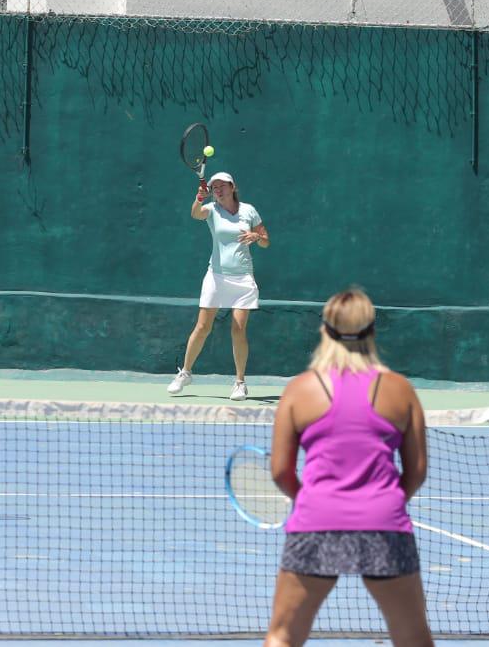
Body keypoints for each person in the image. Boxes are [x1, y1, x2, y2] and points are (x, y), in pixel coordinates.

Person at [264, 289, 432, 647]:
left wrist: (311, 500)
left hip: (316, 522)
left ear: (325, 330)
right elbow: (416, 470)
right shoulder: (401, 390)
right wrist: (382, 502)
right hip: (384, 525)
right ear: (372, 331)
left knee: (282, 638)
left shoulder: (299, 390)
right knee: (414, 640)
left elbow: (280, 470)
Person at [168, 171, 269, 400]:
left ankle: (240, 383)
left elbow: (266, 241)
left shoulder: (249, 210)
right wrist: (199, 198)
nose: (218, 190)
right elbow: (195, 214)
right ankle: (185, 373)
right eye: (215, 187)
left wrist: (256, 236)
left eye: (222, 186)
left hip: (243, 279)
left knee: (238, 329)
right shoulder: (212, 210)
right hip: (216, 277)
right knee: (203, 327)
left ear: (232, 186)